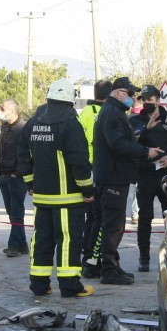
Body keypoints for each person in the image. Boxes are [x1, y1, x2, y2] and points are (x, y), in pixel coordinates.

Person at [18, 78, 95, 298]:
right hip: (68, 198)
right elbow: (79, 162)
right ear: (70, 101)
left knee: (41, 239)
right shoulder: (70, 124)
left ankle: (39, 285)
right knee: (68, 240)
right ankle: (70, 286)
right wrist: (88, 190)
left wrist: (30, 183)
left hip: (42, 197)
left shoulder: (33, 123)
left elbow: (23, 156)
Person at [88, 76, 163, 284]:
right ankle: (109, 270)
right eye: (130, 94)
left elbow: (122, 140)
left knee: (112, 224)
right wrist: (145, 152)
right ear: (118, 93)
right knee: (113, 226)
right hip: (112, 178)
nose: (133, 98)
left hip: (113, 176)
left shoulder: (115, 112)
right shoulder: (112, 114)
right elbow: (118, 144)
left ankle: (108, 265)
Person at [131, 85, 167, 272]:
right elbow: (131, 142)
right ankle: (143, 257)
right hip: (145, 176)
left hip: (165, 176)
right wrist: (146, 129)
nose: (147, 102)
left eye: (150, 99)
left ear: (158, 99)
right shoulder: (136, 121)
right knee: (144, 218)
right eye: (144, 99)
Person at [77, 80, 109, 278]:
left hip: (87, 170)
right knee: (98, 218)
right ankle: (91, 258)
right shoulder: (103, 113)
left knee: (91, 218)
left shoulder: (84, 114)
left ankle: (87, 256)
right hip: (97, 169)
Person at [0, 99, 29, 258]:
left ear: (12, 110)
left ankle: (14, 245)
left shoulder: (23, 128)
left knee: (16, 212)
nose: (0, 110)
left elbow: (27, 154)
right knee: (12, 212)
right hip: (4, 175)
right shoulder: (5, 127)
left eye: (2, 108)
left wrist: (18, 173)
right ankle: (22, 245)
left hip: (16, 177)